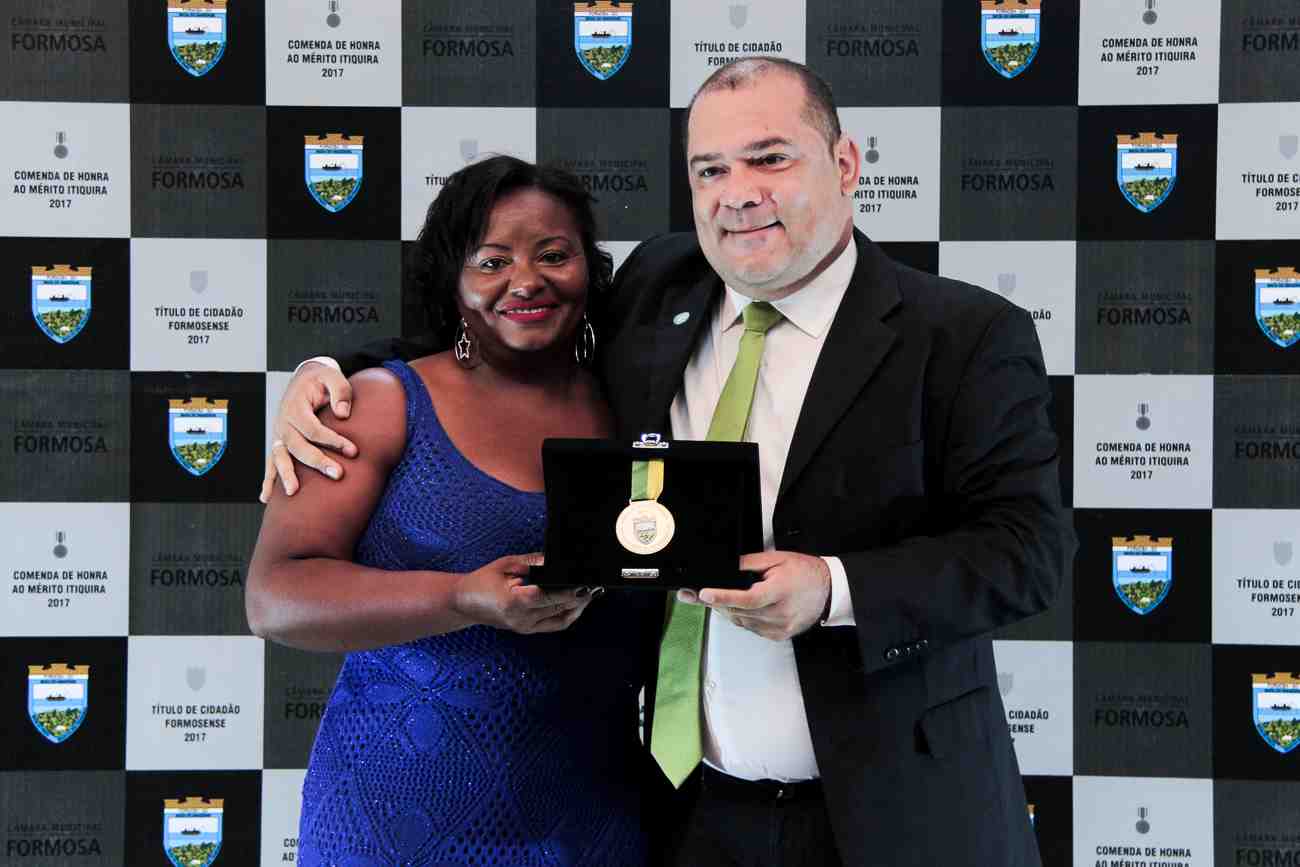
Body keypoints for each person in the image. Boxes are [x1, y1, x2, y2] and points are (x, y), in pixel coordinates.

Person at [265, 58, 1075, 867]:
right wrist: (328, 370)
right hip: (686, 817)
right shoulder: (660, 286)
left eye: (769, 158)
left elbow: (1031, 550)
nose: (738, 193)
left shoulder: (965, 336)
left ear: (845, 164)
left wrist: (833, 588)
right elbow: (503, 326)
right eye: (710, 169)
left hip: (895, 818)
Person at [246, 155, 657, 867]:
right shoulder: (377, 402)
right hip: (396, 823)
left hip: (596, 819)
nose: (525, 280)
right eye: (491, 261)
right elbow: (275, 596)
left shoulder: (637, 406)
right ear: (452, 279)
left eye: (553, 255)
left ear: (590, 271)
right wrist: (462, 596)